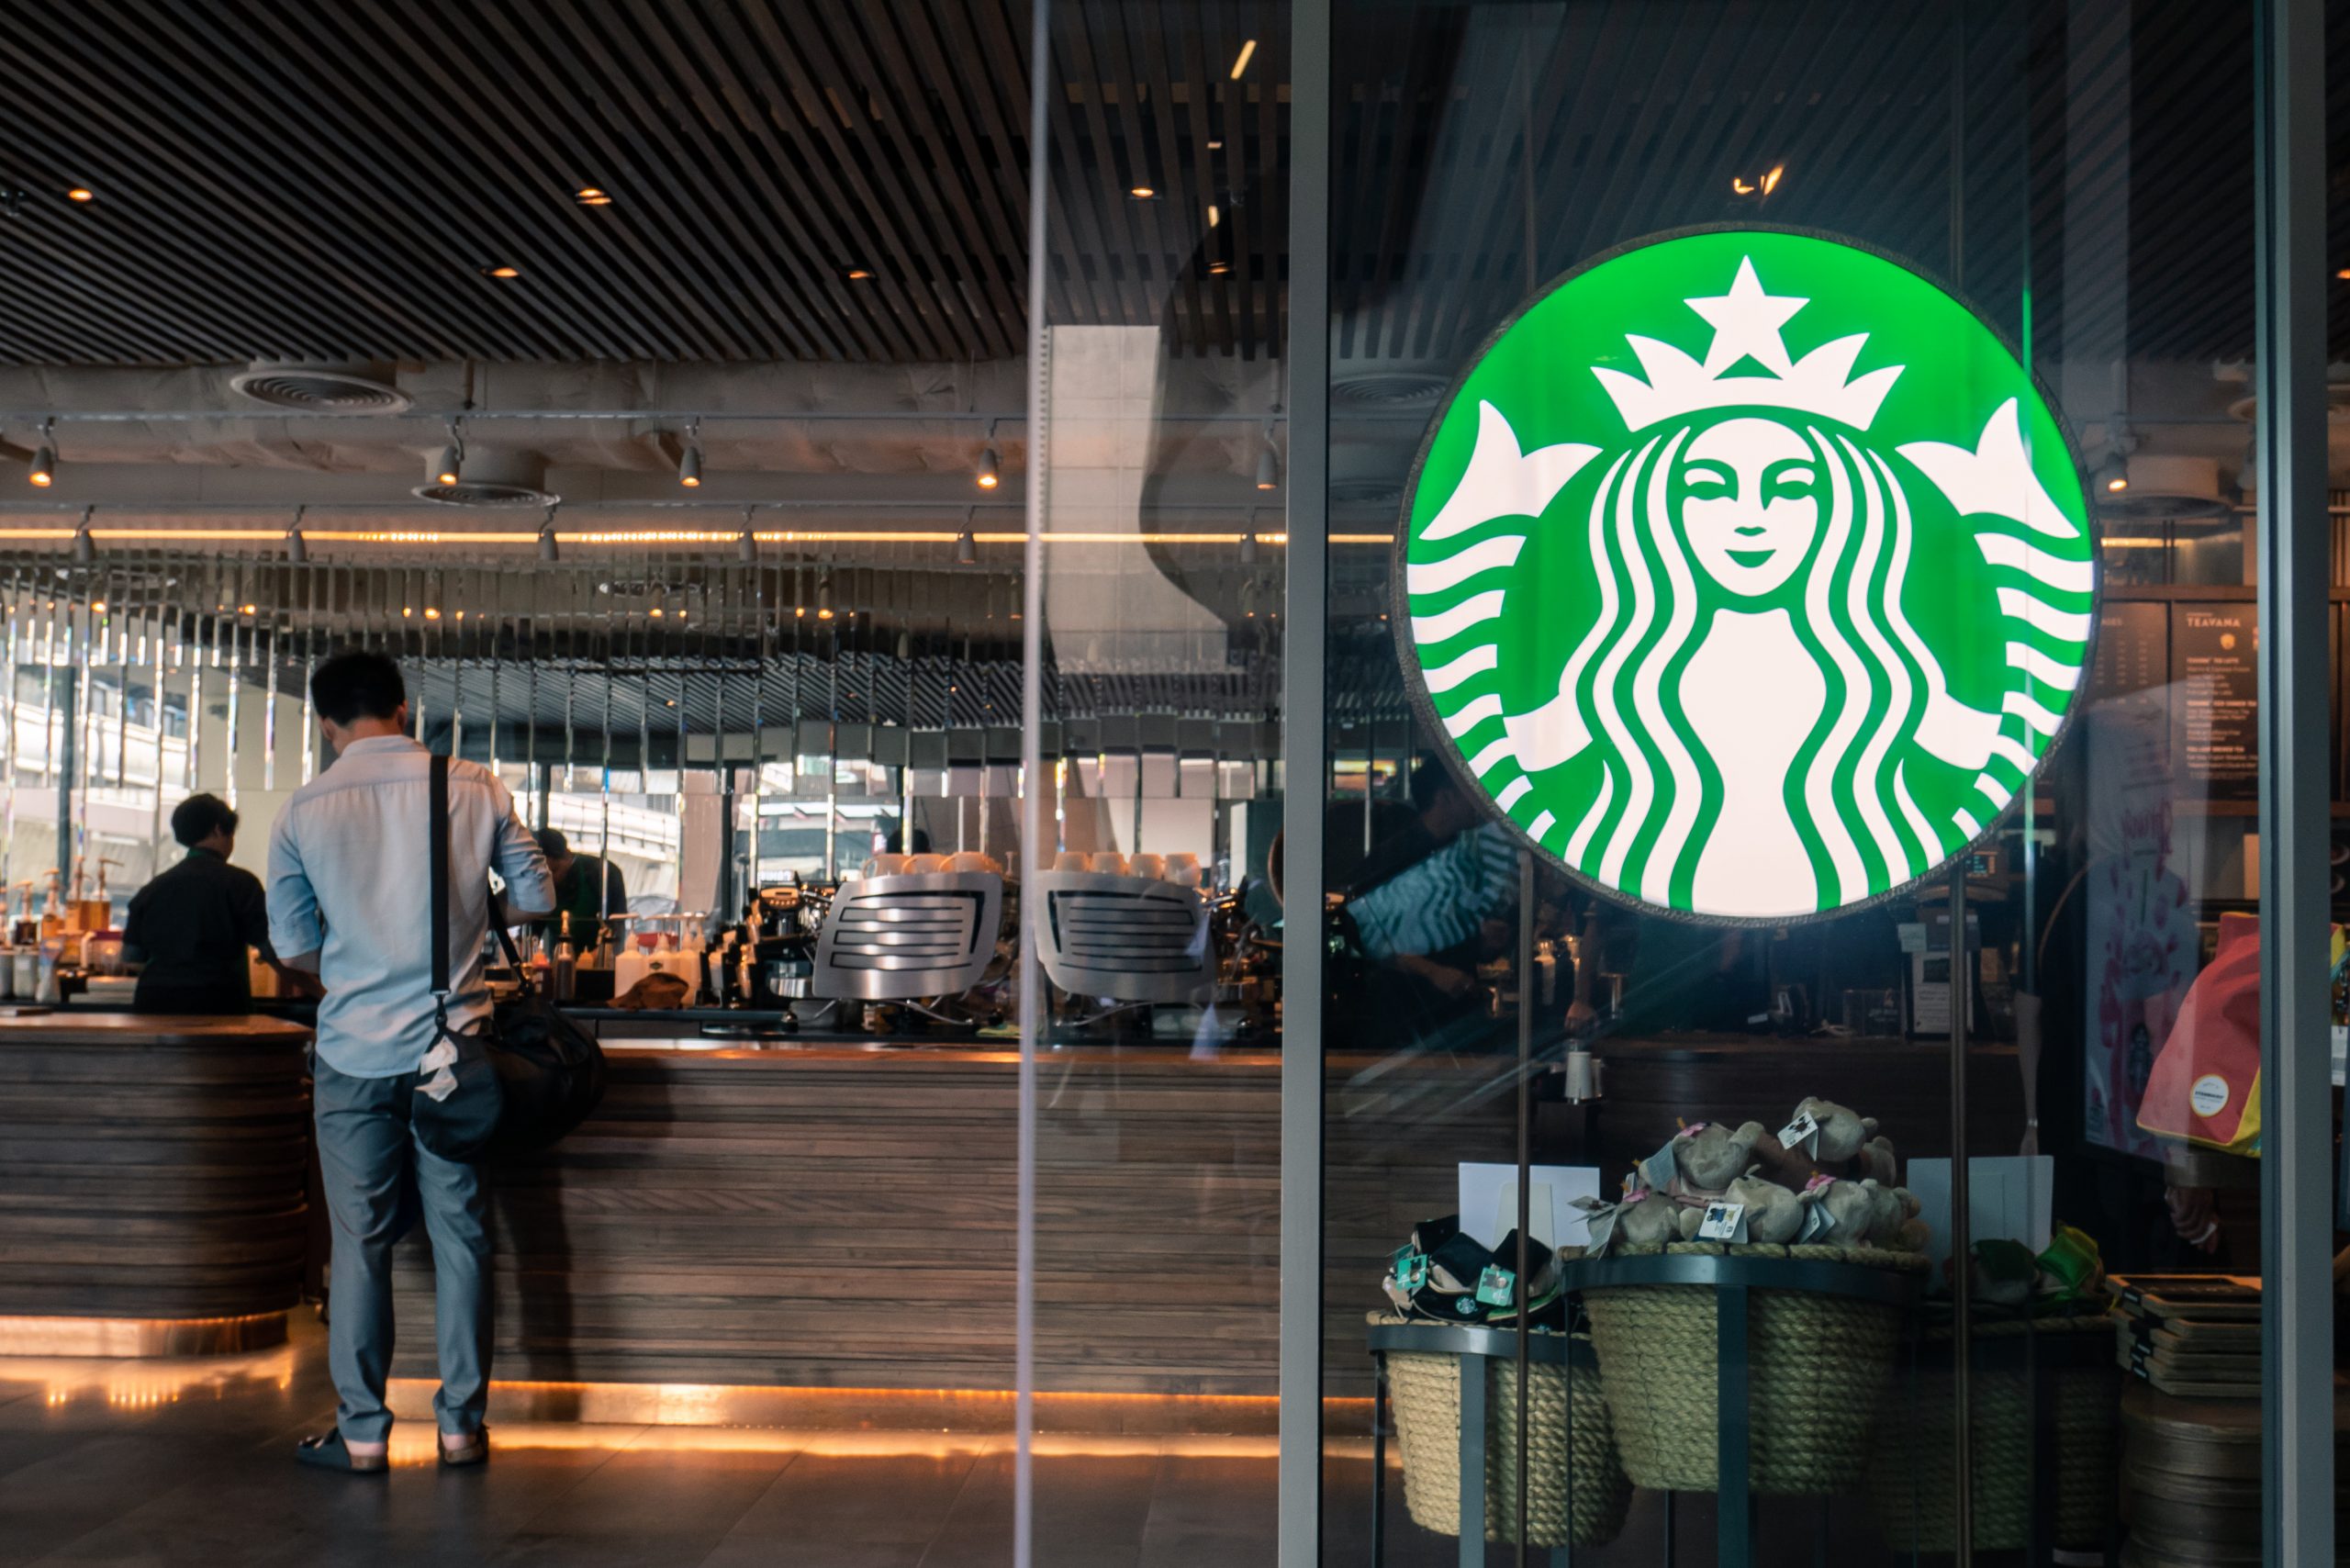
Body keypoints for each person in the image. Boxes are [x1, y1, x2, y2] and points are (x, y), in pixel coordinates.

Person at [265, 650, 554, 1474]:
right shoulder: (474, 784)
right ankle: (460, 1426)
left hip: (354, 1049)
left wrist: (361, 960)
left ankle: (361, 1433)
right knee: (463, 1236)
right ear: (403, 706)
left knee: (359, 1244)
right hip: (451, 1051)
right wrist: (463, 909)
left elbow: (294, 946)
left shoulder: (303, 807)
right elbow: (535, 900)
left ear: (326, 723)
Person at [121, 793, 290, 1014]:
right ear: (219, 829)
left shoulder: (152, 889)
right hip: (218, 1003)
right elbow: (272, 950)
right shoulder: (241, 884)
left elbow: (131, 958)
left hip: (154, 1004)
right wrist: (317, 990)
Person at [532, 827, 628, 950]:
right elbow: (532, 932)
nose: (550, 879)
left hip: (598, 959)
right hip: (559, 957)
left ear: (568, 855)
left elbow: (617, 925)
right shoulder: (539, 885)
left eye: (555, 870)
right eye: (543, 875)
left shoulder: (603, 873)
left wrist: (606, 953)